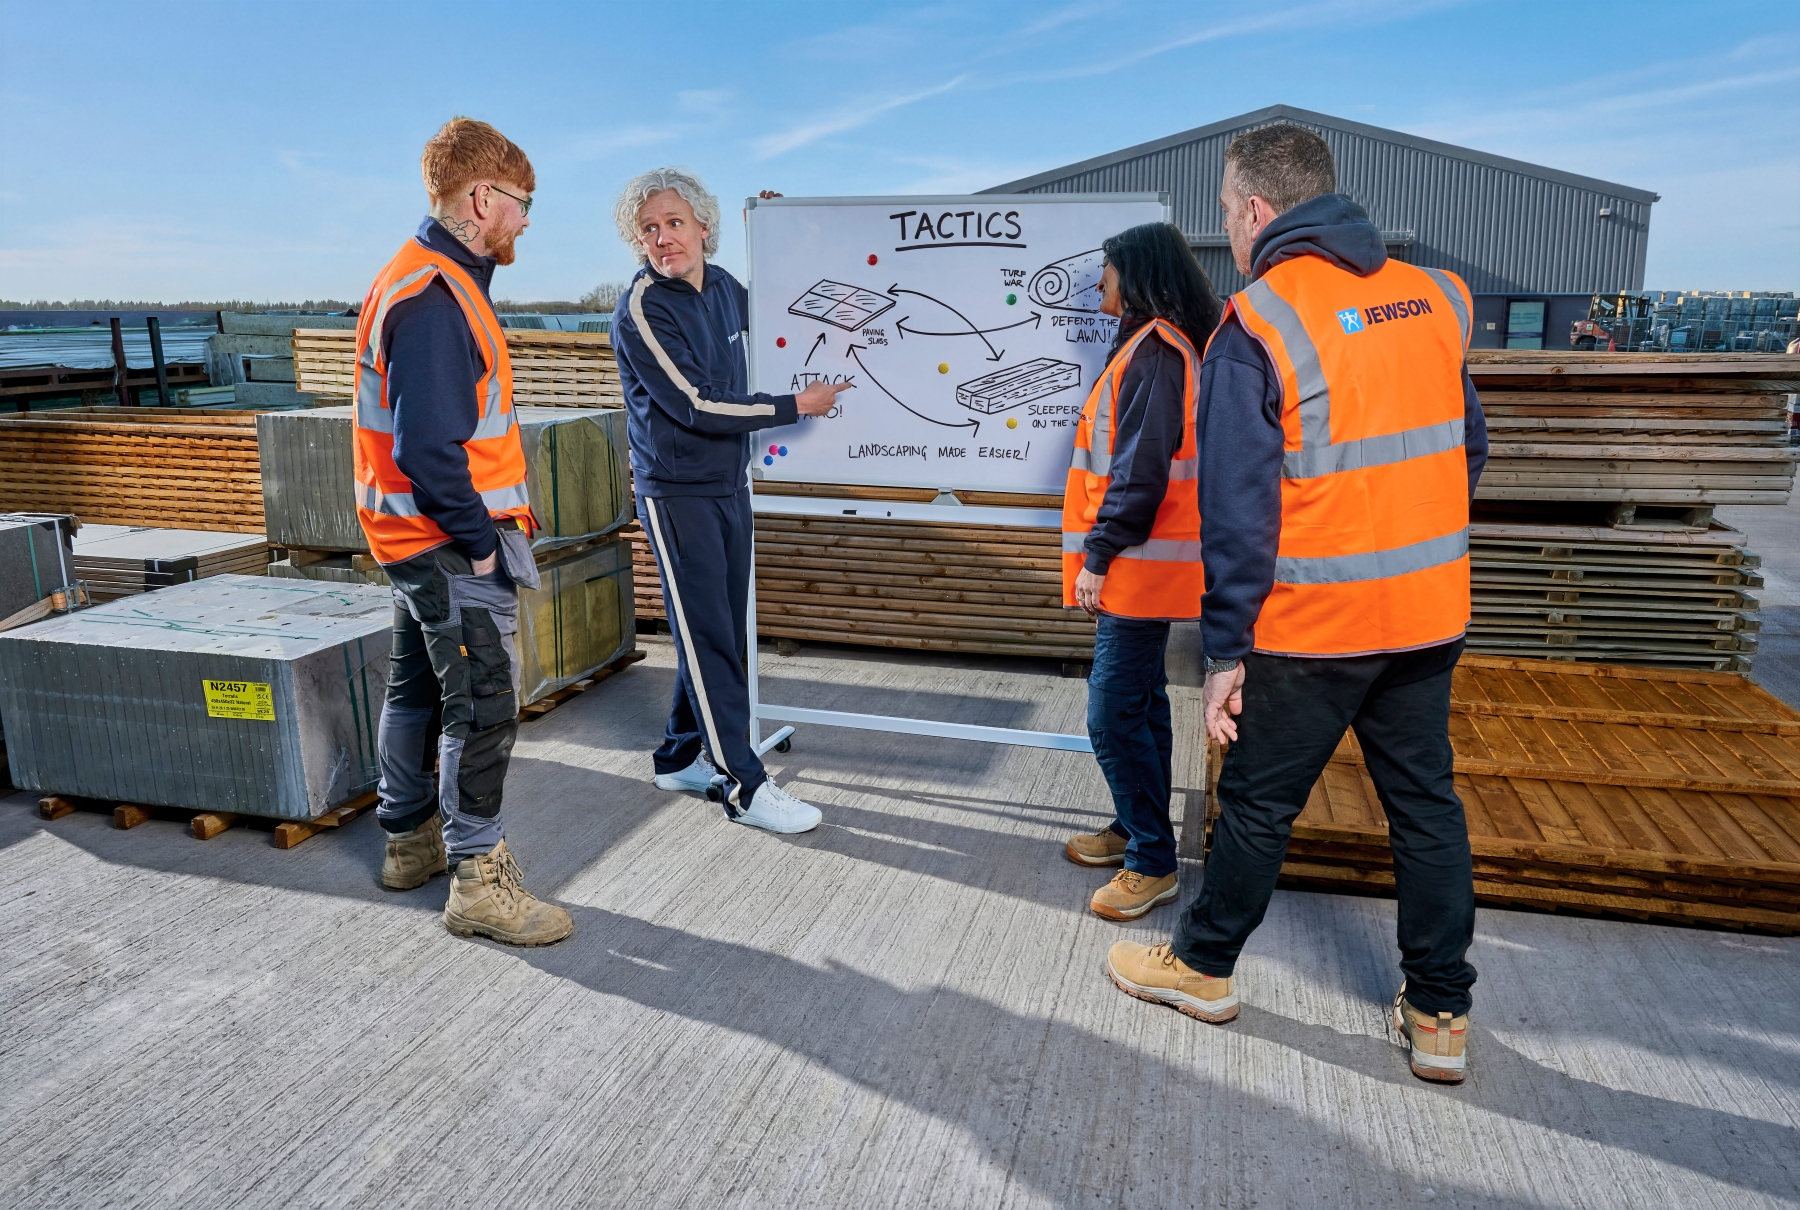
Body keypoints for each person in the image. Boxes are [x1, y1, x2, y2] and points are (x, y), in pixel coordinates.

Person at [1103, 124, 1489, 1084]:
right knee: (1426, 807)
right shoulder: (1436, 296)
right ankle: (1440, 1012)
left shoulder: (1261, 321)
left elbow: (1239, 510)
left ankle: (1202, 968)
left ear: (1256, 210)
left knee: (1258, 806)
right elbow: (1467, 450)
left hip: (1315, 629)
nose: (1229, 232)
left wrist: (1225, 653)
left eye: (1227, 213)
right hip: (1428, 614)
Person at [353, 117, 572, 947]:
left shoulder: (415, 276)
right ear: (482, 199)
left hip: (409, 539)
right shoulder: (437, 298)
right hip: (448, 543)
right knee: (481, 706)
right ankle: (479, 883)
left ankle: (409, 842)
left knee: (416, 689)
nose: (525, 221)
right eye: (521, 203)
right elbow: (429, 451)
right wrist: (481, 544)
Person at [611, 169, 851, 832]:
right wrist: (795, 405)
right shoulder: (642, 309)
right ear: (638, 240)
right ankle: (745, 786)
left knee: (715, 630)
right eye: (650, 229)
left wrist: (773, 236)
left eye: (675, 223)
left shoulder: (721, 287)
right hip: (677, 492)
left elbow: (778, 311)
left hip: (727, 483)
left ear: (703, 227)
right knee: (711, 635)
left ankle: (677, 757)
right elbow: (695, 404)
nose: (664, 238)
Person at [1061, 223, 1220, 921]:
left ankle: (1152, 862)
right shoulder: (1160, 345)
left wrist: (1097, 556)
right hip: (1147, 565)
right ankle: (1136, 827)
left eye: (1109, 268)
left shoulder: (1156, 351)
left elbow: (1139, 473)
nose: (1100, 278)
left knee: (1111, 715)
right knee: (1142, 705)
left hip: (1135, 567)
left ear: (1138, 274)